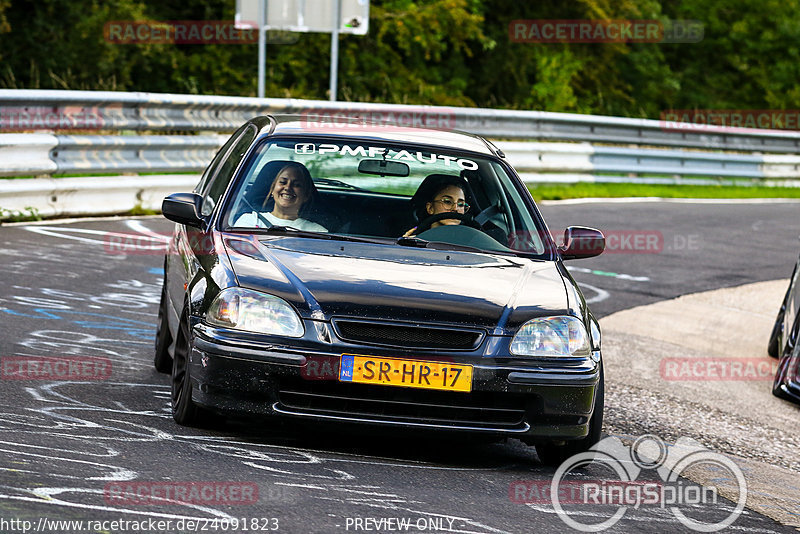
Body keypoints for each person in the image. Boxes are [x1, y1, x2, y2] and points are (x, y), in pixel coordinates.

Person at [234, 162, 327, 232]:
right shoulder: (250, 221)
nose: (288, 188)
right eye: (283, 182)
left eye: (297, 185)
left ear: (306, 195)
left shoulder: (317, 231)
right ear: (272, 190)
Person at [403, 174, 470, 237]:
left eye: (461, 204)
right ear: (430, 208)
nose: (455, 208)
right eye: (447, 202)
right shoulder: (415, 239)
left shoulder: (471, 240)